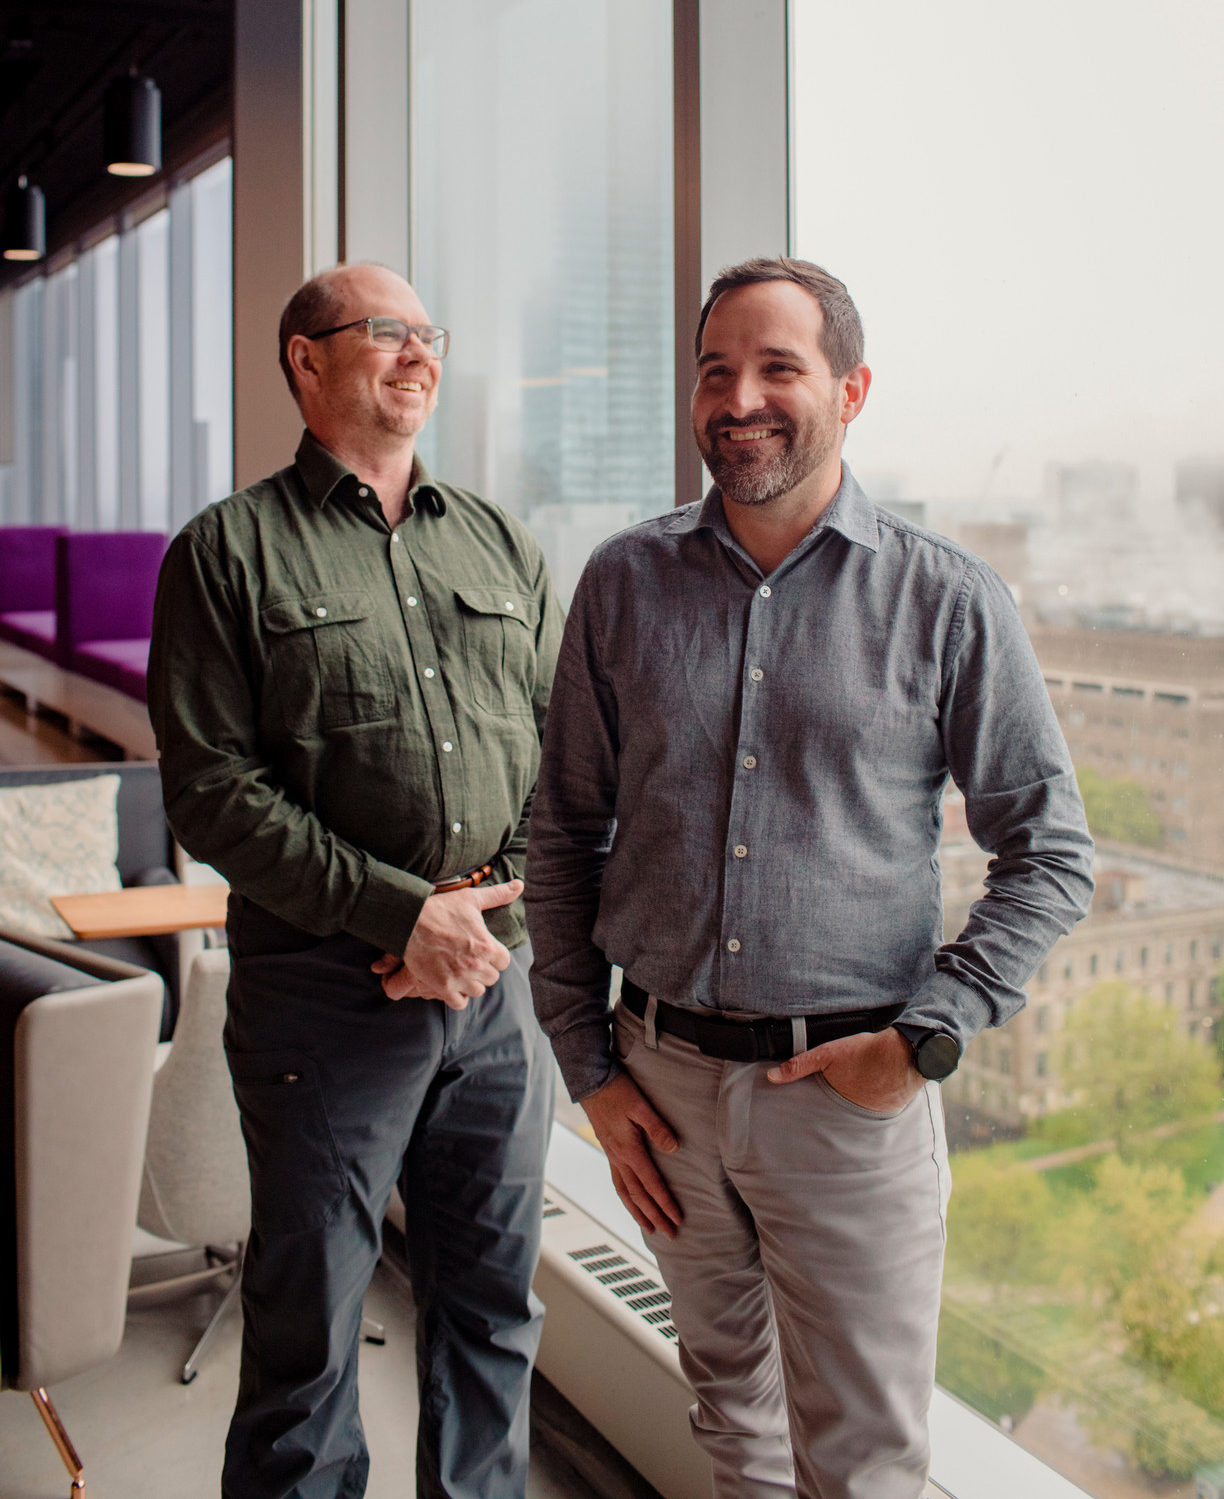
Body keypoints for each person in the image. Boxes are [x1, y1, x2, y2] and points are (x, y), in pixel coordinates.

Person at [525, 256, 1094, 1499]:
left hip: (850, 1095)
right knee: (733, 1420)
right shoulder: (622, 582)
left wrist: (926, 1038)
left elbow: (1050, 850)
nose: (741, 396)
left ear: (852, 387)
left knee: (866, 1458)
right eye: (716, 369)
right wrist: (592, 1069)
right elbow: (564, 830)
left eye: (779, 366)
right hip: (660, 1087)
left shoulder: (947, 600)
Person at [148, 262, 562, 1499]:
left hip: (494, 1000)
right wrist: (400, 914)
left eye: (430, 333)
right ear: (306, 361)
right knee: (307, 1339)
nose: (418, 353)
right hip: (326, 997)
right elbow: (211, 787)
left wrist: (490, 914)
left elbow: (570, 754)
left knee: (492, 1312)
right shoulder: (226, 553)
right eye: (386, 332)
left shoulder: (499, 542)